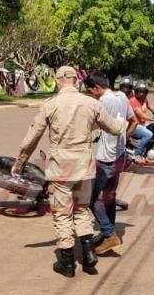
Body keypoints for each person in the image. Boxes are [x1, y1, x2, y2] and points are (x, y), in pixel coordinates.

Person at [12, 66, 125, 278]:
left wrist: (19, 163)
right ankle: (89, 255)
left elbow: (32, 138)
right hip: (84, 168)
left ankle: (67, 263)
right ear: (76, 80)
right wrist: (121, 120)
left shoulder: (50, 104)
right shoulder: (92, 103)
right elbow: (115, 128)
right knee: (81, 210)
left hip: (61, 169)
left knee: (63, 214)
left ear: (58, 81)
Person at [84, 72, 138, 256]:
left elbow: (91, 126)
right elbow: (134, 121)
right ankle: (108, 234)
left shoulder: (101, 102)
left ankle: (109, 233)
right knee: (109, 196)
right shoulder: (122, 96)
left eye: (91, 91)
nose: (92, 95)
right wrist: (123, 140)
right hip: (120, 155)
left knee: (91, 198)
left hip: (106, 158)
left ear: (96, 88)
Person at [129, 81, 154, 161]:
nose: (141, 93)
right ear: (136, 91)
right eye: (139, 91)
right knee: (148, 134)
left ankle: (148, 150)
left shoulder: (145, 100)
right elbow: (141, 114)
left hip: (142, 124)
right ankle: (137, 154)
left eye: (143, 91)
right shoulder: (133, 100)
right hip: (133, 126)